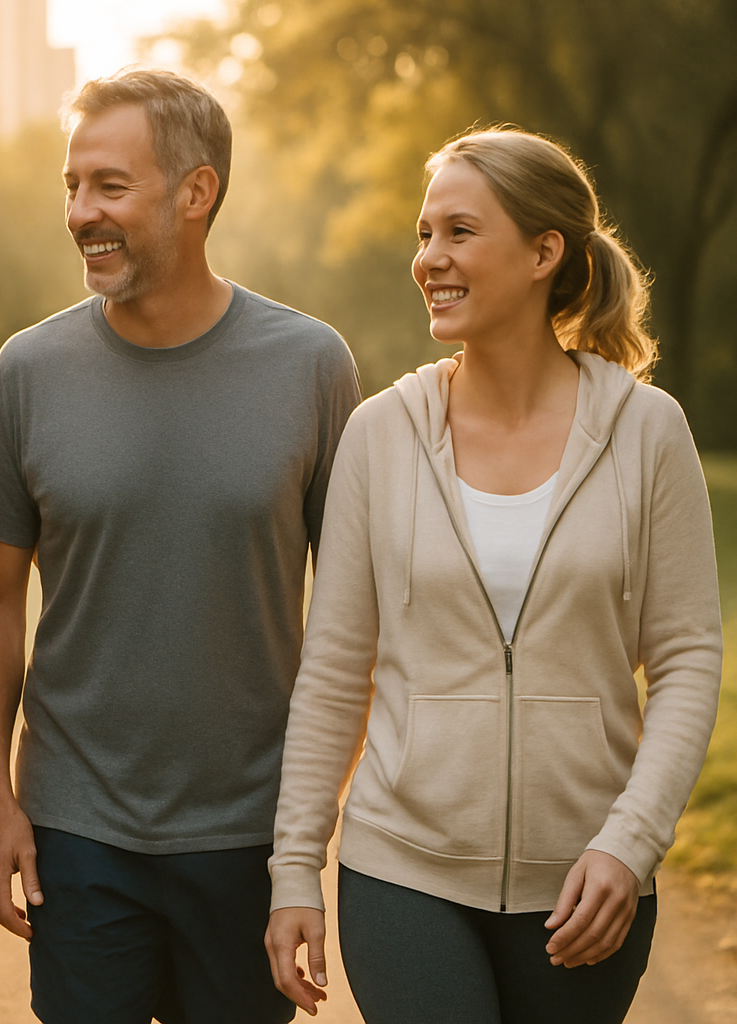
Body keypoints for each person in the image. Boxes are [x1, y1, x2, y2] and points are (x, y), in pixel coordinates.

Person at [265, 127, 722, 1024]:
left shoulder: (647, 432)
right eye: (424, 234)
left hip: (588, 885)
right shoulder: (381, 434)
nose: (429, 258)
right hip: (403, 869)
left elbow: (687, 659)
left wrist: (630, 846)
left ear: (545, 252)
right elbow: (333, 671)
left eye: (459, 233)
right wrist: (294, 869)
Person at [0, 68, 361, 1024]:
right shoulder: (26, 372)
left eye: (110, 185)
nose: (79, 212)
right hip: (78, 829)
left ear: (196, 192)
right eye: (72, 185)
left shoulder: (312, 367)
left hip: (246, 835)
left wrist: (305, 834)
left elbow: (356, 613)